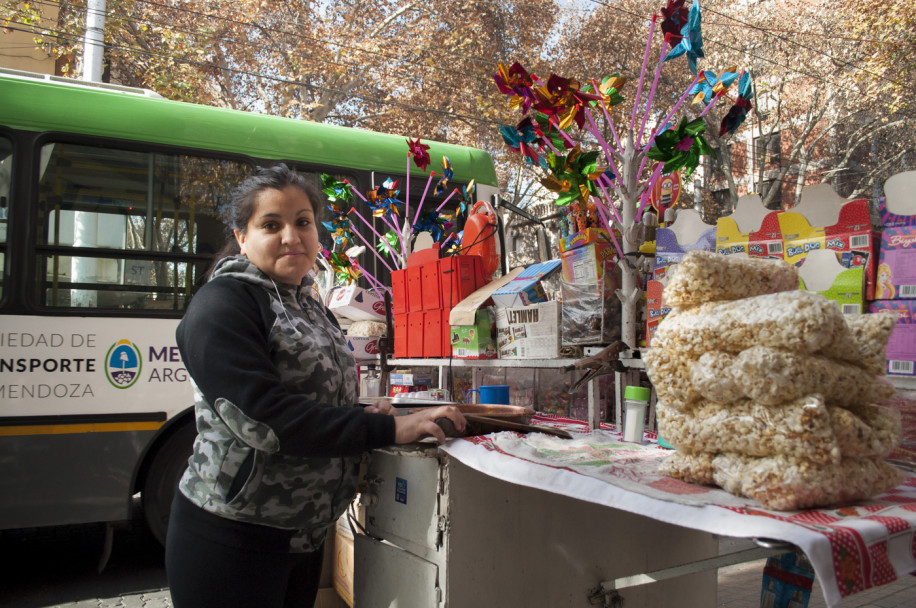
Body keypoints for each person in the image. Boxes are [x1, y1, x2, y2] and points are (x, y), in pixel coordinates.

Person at [165, 164, 466, 608]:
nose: (292, 236)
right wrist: (387, 431)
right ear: (242, 235)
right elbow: (264, 421)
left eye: (303, 221)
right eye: (271, 224)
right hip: (234, 538)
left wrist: (364, 415)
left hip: (302, 536)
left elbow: (318, 400)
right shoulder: (222, 305)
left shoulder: (306, 302)